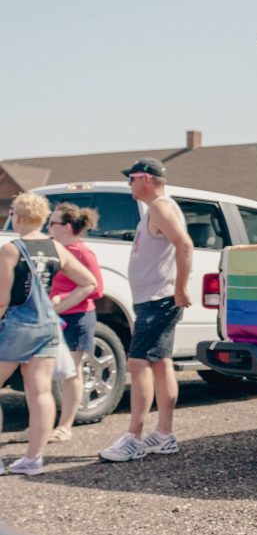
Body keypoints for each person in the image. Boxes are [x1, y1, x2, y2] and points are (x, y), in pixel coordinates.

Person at [99, 158, 194, 462]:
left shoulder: (160, 207)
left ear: (148, 179)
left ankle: (134, 436)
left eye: (132, 178)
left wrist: (180, 288)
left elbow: (185, 245)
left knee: (138, 364)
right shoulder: (155, 208)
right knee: (159, 363)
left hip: (159, 300)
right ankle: (164, 434)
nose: (129, 184)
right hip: (155, 299)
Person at [0, 193, 97, 475]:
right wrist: (61, 305)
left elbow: (3, 299)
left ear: (17, 217)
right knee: (40, 392)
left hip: (17, 324)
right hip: (46, 326)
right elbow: (88, 282)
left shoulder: (11, 249)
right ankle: (33, 459)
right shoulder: (55, 246)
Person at [47, 202, 105, 442]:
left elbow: (97, 288)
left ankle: (65, 426)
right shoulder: (53, 250)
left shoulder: (82, 253)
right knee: (48, 374)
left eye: (52, 223)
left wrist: (63, 302)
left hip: (78, 318)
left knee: (71, 373)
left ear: (68, 227)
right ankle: (43, 425)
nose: (47, 227)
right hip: (55, 318)